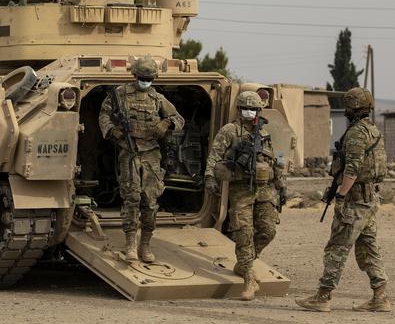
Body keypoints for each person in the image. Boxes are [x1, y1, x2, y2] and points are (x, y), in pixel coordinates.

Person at [296, 87, 389, 313]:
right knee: (369, 248)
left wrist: (340, 195)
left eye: (347, 106)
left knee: (337, 248)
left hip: (356, 201)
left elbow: (353, 169)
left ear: (352, 107)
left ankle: (323, 296)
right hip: (369, 201)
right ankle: (380, 297)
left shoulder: (357, 133)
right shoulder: (372, 130)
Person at [98, 56, 184, 263]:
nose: (145, 81)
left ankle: (145, 244)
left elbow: (179, 119)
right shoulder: (119, 95)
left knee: (150, 200)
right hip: (129, 151)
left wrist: (166, 124)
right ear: (134, 75)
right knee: (131, 198)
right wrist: (113, 131)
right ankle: (130, 244)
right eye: (142, 77)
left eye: (149, 78)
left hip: (151, 154)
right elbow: (104, 115)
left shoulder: (157, 99)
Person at [205, 91, 285, 301]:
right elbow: (214, 156)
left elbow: (273, 159)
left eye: (253, 109)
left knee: (268, 231)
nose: (249, 113)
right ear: (239, 110)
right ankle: (249, 277)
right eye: (244, 109)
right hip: (241, 189)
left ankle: (243, 263)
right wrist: (209, 178)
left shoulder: (264, 132)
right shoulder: (230, 131)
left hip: (264, 190)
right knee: (243, 233)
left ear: (259, 110)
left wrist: (279, 181)